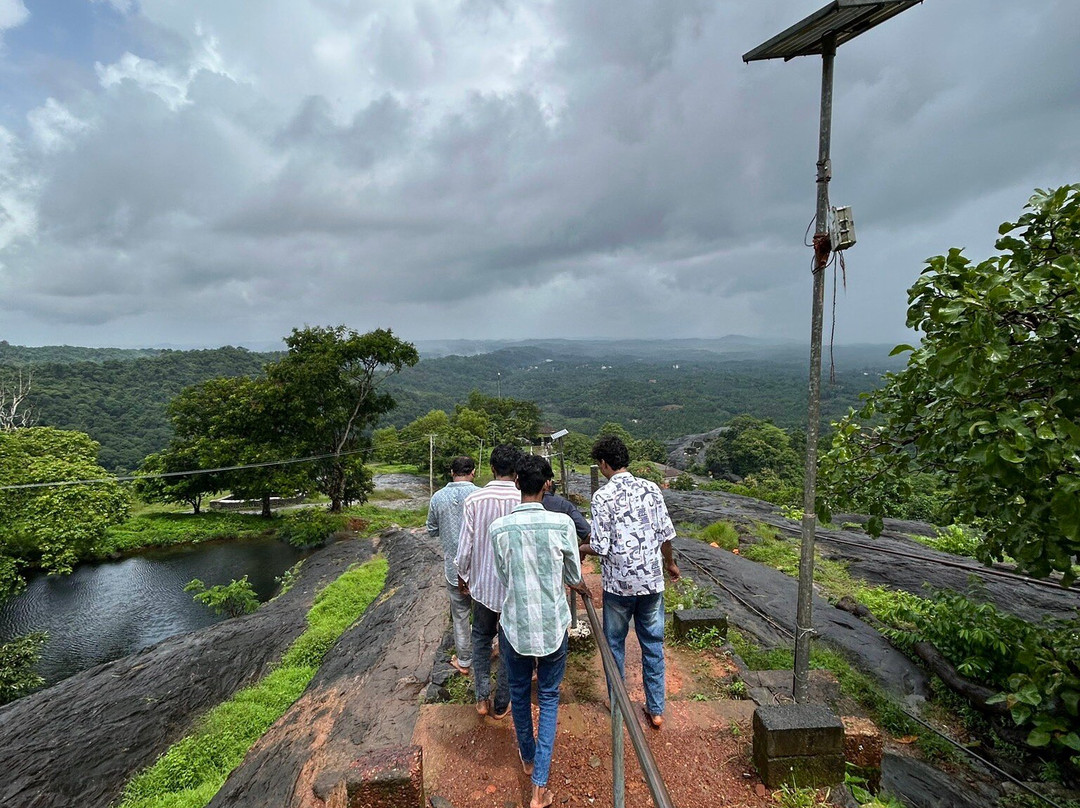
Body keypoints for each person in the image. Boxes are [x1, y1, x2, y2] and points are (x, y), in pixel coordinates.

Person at [491, 455, 591, 808]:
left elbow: (504, 577)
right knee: (548, 698)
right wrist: (573, 583)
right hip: (552, 625)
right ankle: (539, 787)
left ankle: (528, 757)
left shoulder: (499, 528)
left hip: (515, 624)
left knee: (519, 694)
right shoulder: (562, 524)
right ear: (547, 484)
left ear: (517, 482)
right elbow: (573, 575)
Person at [583, 435, 680, 729]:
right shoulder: (651, 489)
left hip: (618, 586)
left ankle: (618, 703)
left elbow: (600, 546)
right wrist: (670, 563)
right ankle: (656, 709)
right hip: (651, 582)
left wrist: (579, 547)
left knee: (614, 645)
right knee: (653, 644)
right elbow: (665, 536)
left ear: (604, 463)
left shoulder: (602, 497)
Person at [455, 443, 523, 718]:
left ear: (492, 468)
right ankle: (502, 702)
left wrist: (462, 576)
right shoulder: (524, 499)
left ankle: (482, 698)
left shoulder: (475, 500)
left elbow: (465, 547)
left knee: (481, 638)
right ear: (517, 470)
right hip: (514, 587)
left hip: (482, 585)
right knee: (509, 644)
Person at [425, 455, 479, 676]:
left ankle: (464, 661)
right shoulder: (480, 495)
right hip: (480, 568)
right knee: (486, 614)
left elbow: (431, 529)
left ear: (451, 472)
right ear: (473, 472)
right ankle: (488, 653)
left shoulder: (438, 497)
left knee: (460, 615)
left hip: (453, 569)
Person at [539, 465, 590, 542]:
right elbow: (588, 534)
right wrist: (579, 547)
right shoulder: (563, 504)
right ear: (548, 483)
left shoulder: (520, 503)